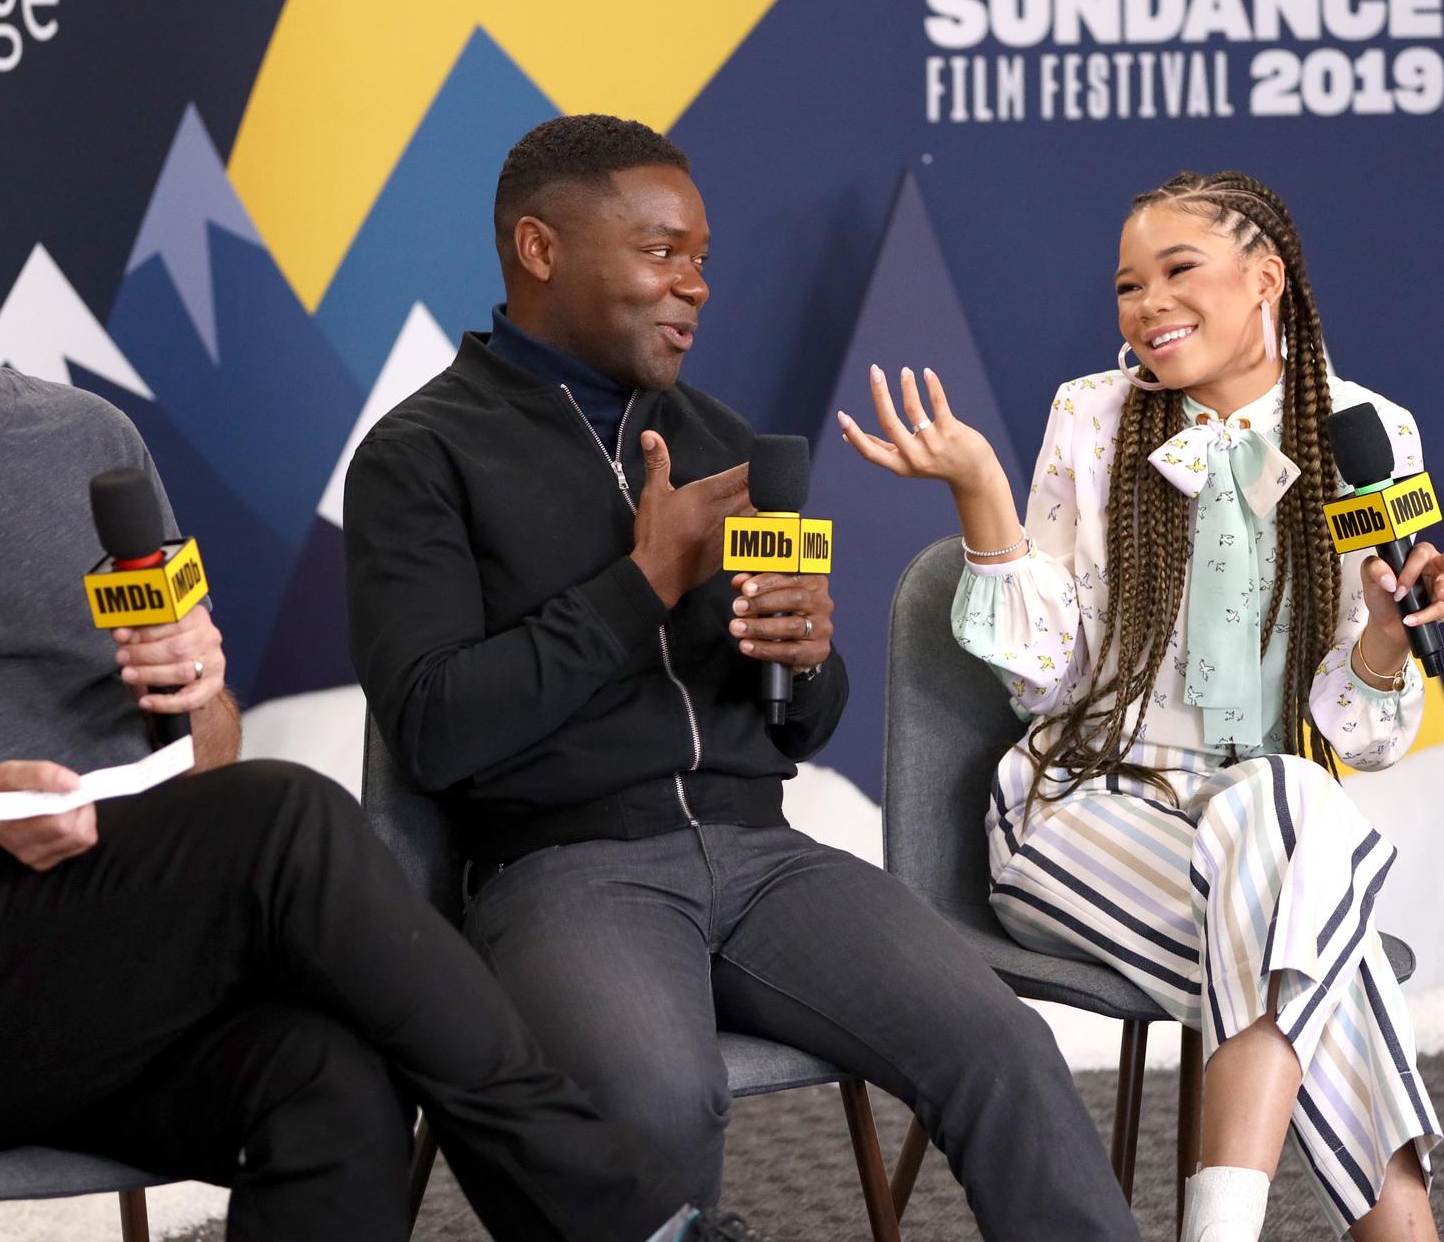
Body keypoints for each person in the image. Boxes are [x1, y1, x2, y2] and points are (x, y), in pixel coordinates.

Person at [0, 27, 763, 1242]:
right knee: (286, 815)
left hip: (79, 929)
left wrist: (196, 697)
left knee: (331, 1087)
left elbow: (204, 759)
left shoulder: (89, 444)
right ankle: (616, 1218)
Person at [345, 114, 1139, 1240]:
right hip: (565, 871)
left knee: (1001, 1044)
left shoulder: (723, 440)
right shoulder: (419, 455)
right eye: (662, 252)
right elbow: (431, 729)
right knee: (659, 1104)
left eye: (702, 259)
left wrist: (805, 660)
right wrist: (645, 579)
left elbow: (793, 730)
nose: (696, 286)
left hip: (763, 860)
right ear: (539, 249)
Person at [838, 171, 1444, 1242]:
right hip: (1081, 811)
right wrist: (981, 492)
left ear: (1263, 278)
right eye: (1128, 285)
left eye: (1178, 271)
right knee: (1317, 935)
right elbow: (1048, 682)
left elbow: (1359, 730)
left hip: (1259, 823)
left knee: (1278, 807)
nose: (1146, 304)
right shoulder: (1093, 416)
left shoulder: (1365, 434)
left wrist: (1379, 641)